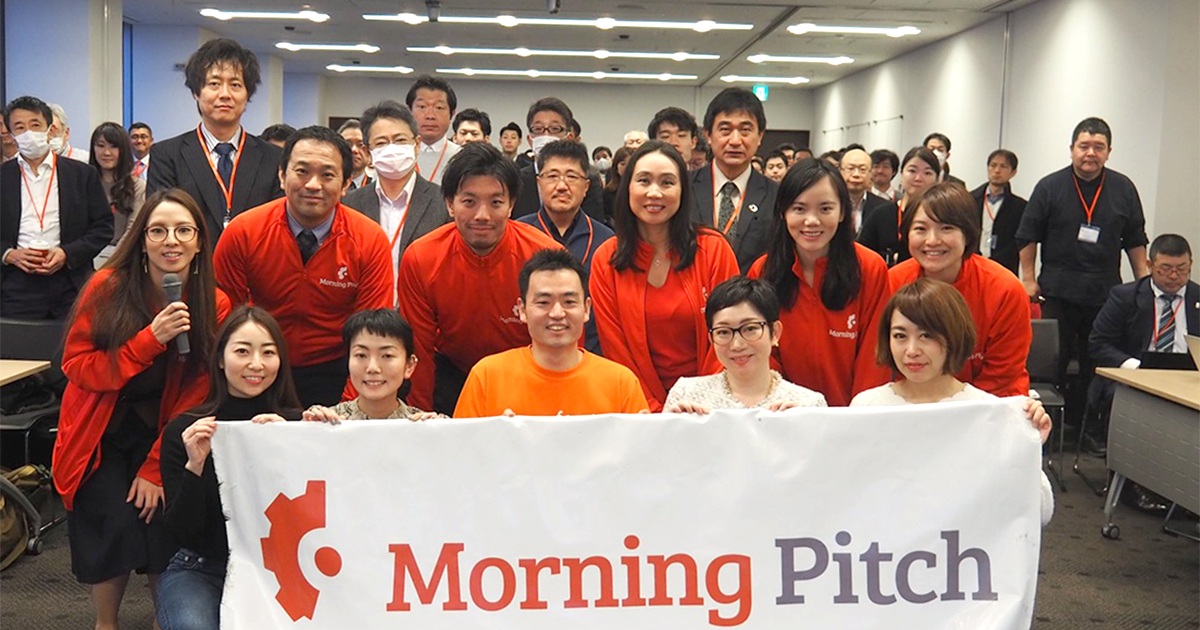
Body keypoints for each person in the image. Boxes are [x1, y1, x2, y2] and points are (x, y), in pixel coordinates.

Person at [53, 188, 231, 630]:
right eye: (158, 231)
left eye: (183, 231)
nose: (171, 241)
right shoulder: (107, 287)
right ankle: (106, 622)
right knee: (112, 519)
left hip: (166, 432)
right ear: (142, 240)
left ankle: (162, 620)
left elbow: (201, 390)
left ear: (199, 242)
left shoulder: (215, 301)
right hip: (101, 429)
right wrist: (149, 340)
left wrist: (155, 467)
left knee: (161, 522)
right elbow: (78, 366)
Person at [213, 126, 394, 408]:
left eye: (327, 175)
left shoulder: (369, 240)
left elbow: (371, 333)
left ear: (346, 184)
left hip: (335, 369)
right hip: (259, 366)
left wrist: (349, 409)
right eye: (302, 171)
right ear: (282, 175)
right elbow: (226, 320)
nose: (313, 184)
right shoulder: (244, 232)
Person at [850, 278, 1053, 526]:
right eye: (900, 335)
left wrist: (1026, 448)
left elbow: (1039, 512)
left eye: (926, 335)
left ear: (954, 336)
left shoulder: (987, 412)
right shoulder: (867, 406)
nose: (911, 350)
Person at [157, 306, 301, 630]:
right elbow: (180, 532)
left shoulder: (296, 425)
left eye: (268, 352)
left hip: (282, 569)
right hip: (201, 567)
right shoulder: (187, 430)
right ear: (220, 359)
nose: (256, 364)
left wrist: (295, 443)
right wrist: (195, 465)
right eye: (242, 351)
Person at [1016, 117, 1149, 452]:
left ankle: (1088, 431)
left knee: (1097, 367)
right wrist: (1028, 279)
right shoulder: (1050, 186)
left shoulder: (1123, 188)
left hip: (1105, 295)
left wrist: (1144, 283)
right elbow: (1028, 235)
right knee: (1052, 363)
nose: (1091, 153)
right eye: (1084, 146)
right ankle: (1046, 432)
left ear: (1109, 151)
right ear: (1072, 149)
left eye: (1098, 147)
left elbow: (1135, 239)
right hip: (1057, 291)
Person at [398, 142, 562, 414]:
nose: (482, 215)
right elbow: (420, 352)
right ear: (450, 204)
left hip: (528, 372)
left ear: (511, 205)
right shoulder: (421, 258)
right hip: (452, 373)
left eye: (496, 202)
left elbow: (563, 341)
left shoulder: (545, 256)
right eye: (469, 202)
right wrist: (421, 418)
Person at [591, 140, 739, 411]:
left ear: (683, 191)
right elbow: (616, 350)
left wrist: (702, 404)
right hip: (639, 408)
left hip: (711, 408)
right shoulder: (606, 259)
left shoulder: (714, 250)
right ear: (627, 188)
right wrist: (657, 413)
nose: (654, 192)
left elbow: (730, 337)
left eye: (667, 182)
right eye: (643, 181)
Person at [749, 159, 892, 407]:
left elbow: (875, 355)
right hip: (784, 412)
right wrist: (784, 404)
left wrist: (861, 414)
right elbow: (763, 353)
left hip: (852, 414)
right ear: (783, 212)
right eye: (799, 209)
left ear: (843, 212)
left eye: (825, 209)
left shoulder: (869, 268)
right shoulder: (763, 271)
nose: (812, 221)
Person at [455, 249, 648, 417]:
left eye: (569, 302)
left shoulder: (620, 383)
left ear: (586, 308)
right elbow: (462, 446)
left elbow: (640, 447)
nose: (557, 313)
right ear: (522, 310)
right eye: (543, 303)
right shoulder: (487, 377)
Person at [1088, 233, 1198, 512]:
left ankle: (1188, 490)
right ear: (1150, 265)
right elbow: (1098, 343)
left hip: (1187, 377)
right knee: (1133, 403)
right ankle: (1131, 483)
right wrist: (1136, 369)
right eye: (1165, 269)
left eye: (1182, 269)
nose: (1174, 276)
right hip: (1135, 375)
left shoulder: (1197, 298)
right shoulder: (1125, 296)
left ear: (1191, 265)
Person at [888, 183, 1031, 397]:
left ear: (968, 233)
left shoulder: (1004, 289)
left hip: (988, 404)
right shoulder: (892, 283)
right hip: (911, 401)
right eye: (920, 229)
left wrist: (953, 411)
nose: (932, 241)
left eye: (946, 228)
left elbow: (1001, 377)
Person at [148, 38, 283, 240]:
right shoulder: (167, 155)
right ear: (196, 92)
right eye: (214, 84)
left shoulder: (274, 158)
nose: (225, 94)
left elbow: (278, 224)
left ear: (248, 94)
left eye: (235, 84)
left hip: (254, 258)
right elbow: (161, 223)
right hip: (192, 258)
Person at [1, 96, 112, 319]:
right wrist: (9, 254)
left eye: (35, 125)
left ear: (50, 130)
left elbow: (103, 227)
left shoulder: (82, 174)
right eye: (19, 128)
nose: (28, 133)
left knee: (73, 339)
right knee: (18, 340)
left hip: (70, 280)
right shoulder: (3, 176)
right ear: (11, 136)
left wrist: (67, 254)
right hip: (16, 282)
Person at [665, 276, 826, 412]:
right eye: (723, 332)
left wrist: (803, 427)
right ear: (711, 339)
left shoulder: (808, 404)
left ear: (775, 333)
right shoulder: (686, 394)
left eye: (750, 329)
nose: (737, 345)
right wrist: (671, 426)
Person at [516, 140, 614, 353]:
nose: (561, 186)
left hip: (592, 357)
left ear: (586, 187)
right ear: (539, 183)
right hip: (529, 355)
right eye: (552, 176)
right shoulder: (517, 234)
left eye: (572, 177)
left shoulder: (607, 241)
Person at [341, 101, 448, 290]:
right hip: (365, 305)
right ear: (367, 152)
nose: (392, 149)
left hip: (421, 305)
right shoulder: (349, 204)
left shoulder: (443, 202)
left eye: (400, 141)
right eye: (381, 143)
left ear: (417, 145)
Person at [690, 87, 778, 271]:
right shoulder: (685, 187)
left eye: (745, 130)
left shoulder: (776, 195)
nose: (735, 141)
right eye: (725, 130)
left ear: (760, 136)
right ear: (708, 135)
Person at [302, 309, 443, 422]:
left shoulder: (424, 425)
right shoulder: (327, 421)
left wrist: (442, 434)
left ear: (409, 366)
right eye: (361, 355)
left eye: (387, 356)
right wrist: (307, 430)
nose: (373, 368)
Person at [513, 97, 605, 221]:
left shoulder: (588, 180)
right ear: (530, 139)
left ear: (569, 137)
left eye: (555, 129)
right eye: (538, 129)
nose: (546, 135)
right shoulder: (516, 181)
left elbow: (593, 225)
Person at [859, 146, 939, 266]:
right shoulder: (881, 214)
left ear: (937, 179)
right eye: (912, 171)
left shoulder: (943, 216)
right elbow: (862, 256)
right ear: (901, 175)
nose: (918, 178)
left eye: (927, 173)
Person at [90, 122, 147, 267]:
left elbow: (132, 230)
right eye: (101, 146)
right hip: (89, 253)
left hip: (122, 257)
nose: (107, 152)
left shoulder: (137, 186)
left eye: (114, 146)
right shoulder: (85, 183)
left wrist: (112, 262)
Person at [968, 149, 1027, 275]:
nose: (997, 171)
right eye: (993, 165)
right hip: (972, 263)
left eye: (1003, 166)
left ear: (1013, 172)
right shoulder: (970, 199)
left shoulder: (1020, 207)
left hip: (1003, 268)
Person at [406, 75, 461, 186]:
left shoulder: (462, 156)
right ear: (409, 111)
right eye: (422, 107)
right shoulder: (395, 155)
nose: (430, 116)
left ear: (452, 114)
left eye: (439, 108)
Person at [840, 147, 895, 238]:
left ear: (870, 174)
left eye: (862, 170)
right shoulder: (829, 204)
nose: (856, 175)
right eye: (850, 168)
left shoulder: (883, 207)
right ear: (840, 172)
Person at [337, 119, 373, 191]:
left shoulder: (376, 188)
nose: (354, 150)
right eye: (348, 144)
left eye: (360, 144)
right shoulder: (328, 185)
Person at [602, 146, 632, 222]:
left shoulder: (639, 189)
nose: (627, 168)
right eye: (623, 164)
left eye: (630, 164)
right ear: (616, 167)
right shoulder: (608, 192)